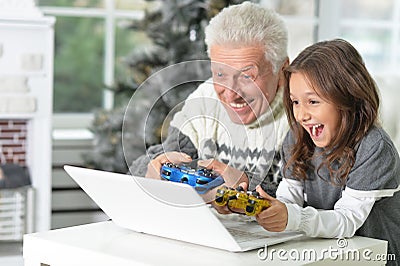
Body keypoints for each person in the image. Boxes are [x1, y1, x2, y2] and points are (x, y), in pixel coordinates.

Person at [254, 39, 399, 264]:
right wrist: (271, 210)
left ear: (348, 97)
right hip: (324, 253)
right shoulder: (298, 135)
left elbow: (347, 220)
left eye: (312, 101)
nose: (301, 115)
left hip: (373, 259)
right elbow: (289, 195)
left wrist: (292, 218)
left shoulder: (374, 147)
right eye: (295, 102)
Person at [128, 2, 290, 201]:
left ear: (282, 69)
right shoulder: (204, 99)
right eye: (220, 74)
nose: (231, 95)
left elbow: (314, 203)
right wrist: (152, 171)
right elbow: (156, 159)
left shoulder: (305, 111)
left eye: (247, 77)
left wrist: (246, 183)